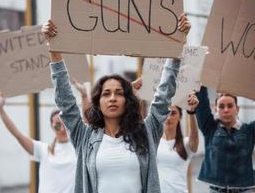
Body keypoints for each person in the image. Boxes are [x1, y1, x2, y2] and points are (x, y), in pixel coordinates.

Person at [42, 12, 191, 193]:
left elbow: (164, 94)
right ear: (98, 102)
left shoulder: (146, 132)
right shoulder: (85, 136)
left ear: (127, 101)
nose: (112, 97)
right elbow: (66, 102)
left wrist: (177, 44)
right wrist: (53, 49)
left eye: (119, 93)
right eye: (106, 93)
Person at [0, 92, 77, 193]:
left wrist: (84, 95)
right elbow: (18, 135)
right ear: (51, 126)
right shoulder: (43, 149)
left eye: (64, 124)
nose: (61, 129)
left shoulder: (78, 148)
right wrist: (1, 110)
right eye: (57, 125)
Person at [132, 78, 200, 193]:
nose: (168, 117)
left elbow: (195, 136)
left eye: (173, 113)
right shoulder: (153, 141)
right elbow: (138, 125)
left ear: (180, 116)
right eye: (166, 113)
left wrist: (191, 111)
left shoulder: (186, 143)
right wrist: (136, 97)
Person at [195, 86, 255, 192]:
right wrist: (202, 80)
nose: (226, 110)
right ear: (216, 109)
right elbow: (202, 106)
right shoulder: (209, 128)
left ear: (237, 109)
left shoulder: (250, 131)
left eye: (230, 106)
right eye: (221, 106)